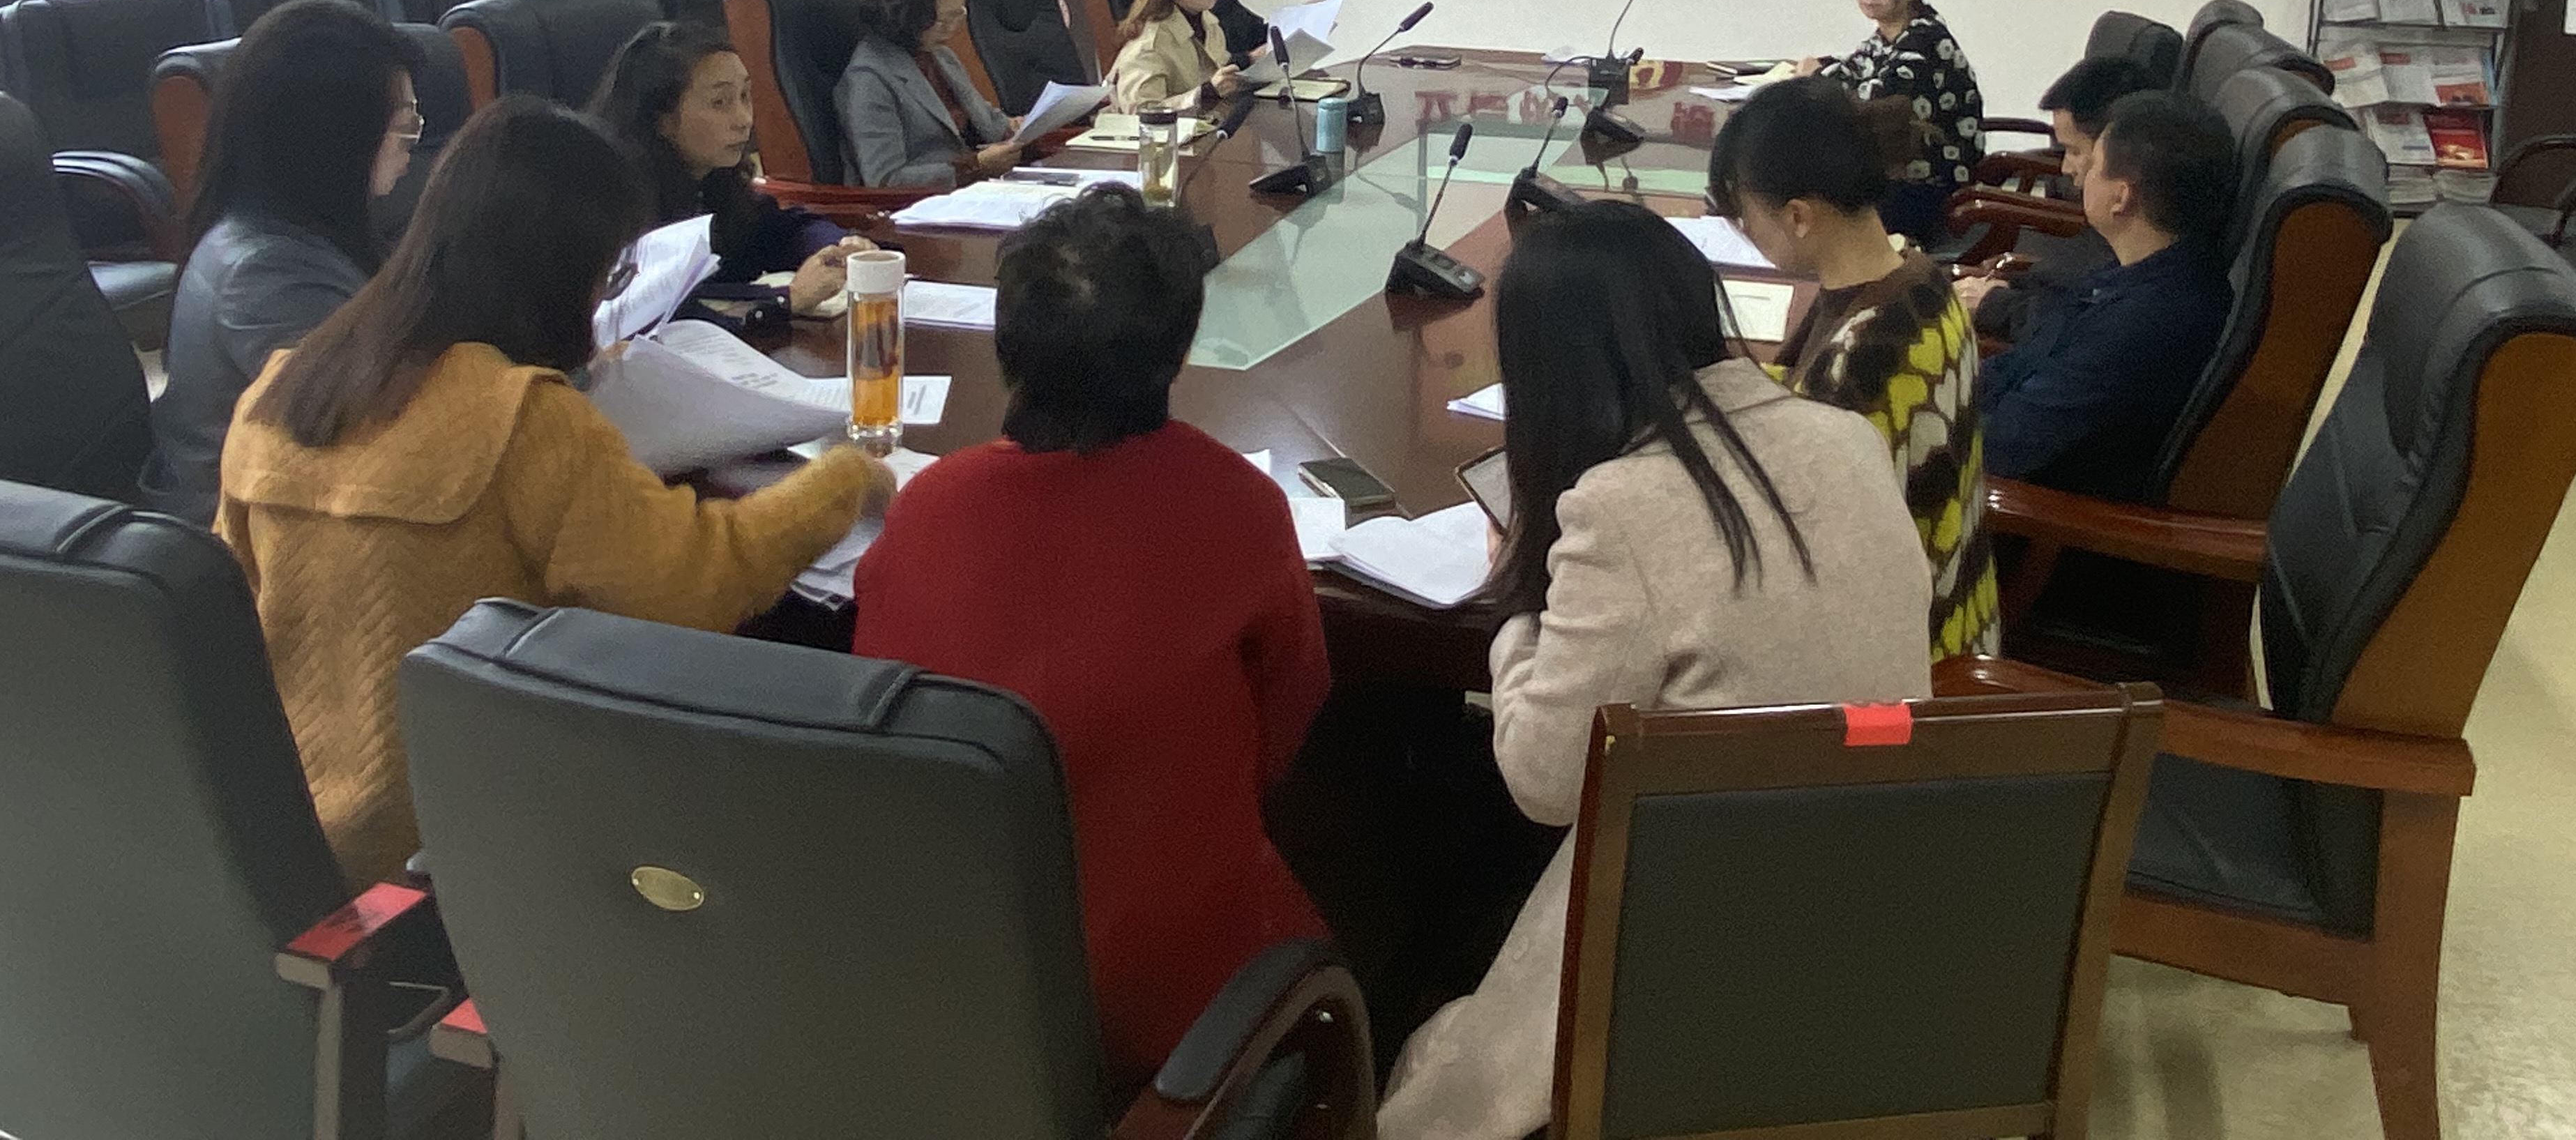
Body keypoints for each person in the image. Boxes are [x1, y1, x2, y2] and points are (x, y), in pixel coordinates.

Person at [218, 98, 887, 886]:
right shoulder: (523, 418)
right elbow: (693, 584)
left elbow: (234, 616)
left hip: (297, 827)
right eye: (610, 272)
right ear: (561, 271)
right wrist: (848, 477)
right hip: (475, 841)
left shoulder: (283, 388)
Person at [1377, 202, 1932, 1140]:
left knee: (1432, 1046)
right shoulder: (1848, 438)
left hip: (1709, 943)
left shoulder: (1621, 508)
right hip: (1882, 893)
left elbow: (1545, 785)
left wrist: (1518, 601)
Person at [854, 186, 1329, 1084]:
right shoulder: (1241, 507)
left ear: (1007, 348)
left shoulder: (926, 508)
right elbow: (1292, 709)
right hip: (1177, 1002)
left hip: (961, 980)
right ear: (1179, 352)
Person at [1708, 78, 1997, 660]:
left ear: (1798, 216)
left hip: (1907, 659)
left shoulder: (1858, 363)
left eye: (1744, 217)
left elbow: (1799, 554)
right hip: (1965, 609)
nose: (1746, 233)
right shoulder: (1921, 278)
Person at [142, 0, 423, 525]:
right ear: (334, 136)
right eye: (404, 125)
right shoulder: (265, 276)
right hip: (241, 540)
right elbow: (379, 429)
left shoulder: (287, 229)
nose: (411, 146)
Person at [1978, 88, 2238, 501]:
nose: (2078, 174)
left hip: (2022, 515)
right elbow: (2026, 365)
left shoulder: (2142, 324)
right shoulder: (2150, 272)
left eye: (2094, 163)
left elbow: (2001, 447)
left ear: (2121, 197)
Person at [592, 19, 870, 314]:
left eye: (745, 96)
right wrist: (788, 298)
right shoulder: (621, 207)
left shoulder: (715, 181)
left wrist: (838, 248)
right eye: (720, 102)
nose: (744, 120)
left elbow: (783, 230)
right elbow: (668, 303)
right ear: (660, 119)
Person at [1795, 0, 1983, 244]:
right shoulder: (1885, 36)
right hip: (1895, 174)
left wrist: (1819, 73)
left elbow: (1877, 100)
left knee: (1821, 204)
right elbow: (1855, 70)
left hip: (1930, 186)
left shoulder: (1925, 38)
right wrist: (1822, 68)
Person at [1959, 53, 2151, 346]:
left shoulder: (2143, 294)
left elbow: (2085, 330)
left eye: (2074, 151)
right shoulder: (2128, 258)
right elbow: (2085, 291)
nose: (2064, 168)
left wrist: (1996, 305)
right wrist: (2013, 285)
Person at [834, 0, 1026, 190]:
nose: (951, 29)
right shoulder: (869, 78)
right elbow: (884, 179)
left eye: (958, 15)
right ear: (909, 15)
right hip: (924, 201)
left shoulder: (940, 55)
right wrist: (975, 167)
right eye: (941, 20)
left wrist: (1020, 128)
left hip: (977, 187)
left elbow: (988, 121)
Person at [1108, 0, 1243, 112]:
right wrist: (1206, 93)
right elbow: (1142, 111)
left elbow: (1217, 66)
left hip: (1204, 123)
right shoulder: (1150, 42)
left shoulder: (1208, 22)